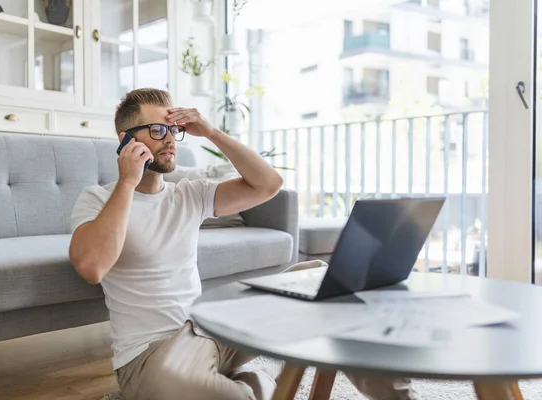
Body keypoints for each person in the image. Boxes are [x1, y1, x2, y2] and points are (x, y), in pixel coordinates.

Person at [68, 88, 420, 400]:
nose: (171, 140)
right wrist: (127, 183)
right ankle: (261, 380)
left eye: (174, 130)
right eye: (158, 131)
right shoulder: (98, 199)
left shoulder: (189, 194)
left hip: (212, 327)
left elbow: (268, 185)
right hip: (152, 355)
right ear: (125, 139)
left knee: (323, 278)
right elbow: (92, 266)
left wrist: (212, 132)